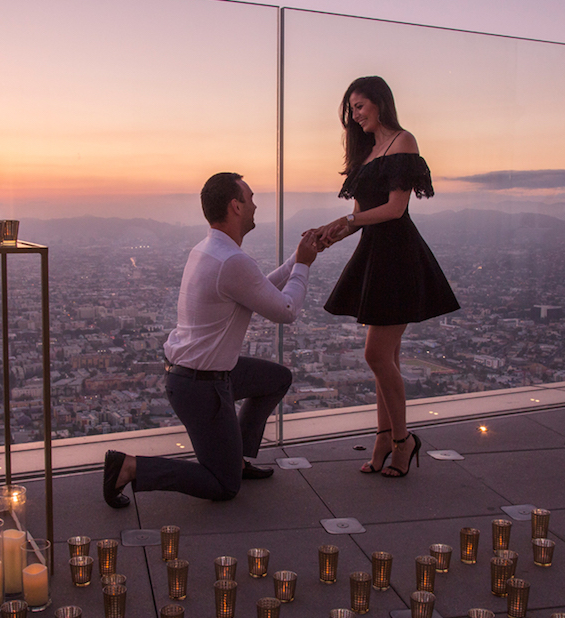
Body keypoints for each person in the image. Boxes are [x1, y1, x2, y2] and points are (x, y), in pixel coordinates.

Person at [103, 172, 320, 507]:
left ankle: (239, 458)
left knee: (276, 379)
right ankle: (130, 467)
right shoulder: (232, 260)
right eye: (250, 198)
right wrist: (303, 265)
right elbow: (286, 309)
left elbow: (260, 288)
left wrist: (297, 257)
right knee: (223, 486)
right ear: (236, 206)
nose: (255, 204)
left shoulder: (208, 250)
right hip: (202, 385)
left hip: (198, 372)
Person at [311, 76, 460, 478]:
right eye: (350, 110)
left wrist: (345, 219)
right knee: (385, 358)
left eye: (359, 106)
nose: (354, 116)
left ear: (380, 103)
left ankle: (402, 440)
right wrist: (328, 235)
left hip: (398, 255)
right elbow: (360, 216)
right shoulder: (367, 154)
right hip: (376, 256)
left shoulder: (403, 142)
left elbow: (395, 209)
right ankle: (385, 439)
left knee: (376, 355)